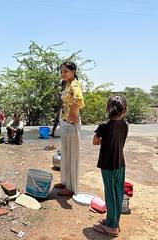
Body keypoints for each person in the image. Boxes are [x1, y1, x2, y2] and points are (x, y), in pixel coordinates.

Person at [93, 96, 128, 237]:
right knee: (118, 193)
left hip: (108, 165)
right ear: (124, 110)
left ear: (108, 109)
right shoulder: (125, 124)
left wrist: (104, 142)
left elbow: (95, 142)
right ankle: (111, 221)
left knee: (110, 194)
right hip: (120, 163)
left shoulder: (103, 127)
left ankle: (112, 227)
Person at [54, 61, 85, 197]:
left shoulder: (75, 84)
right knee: (65, 154)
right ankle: (65, 181)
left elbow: (78, 100)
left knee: (72, 156)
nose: (63, 74)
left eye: (66, 71)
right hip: (65, 121)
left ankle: (72, 187)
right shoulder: (66, 84)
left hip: (71, 123)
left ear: (73, 71)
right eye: (61, 71)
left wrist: (73, 114)